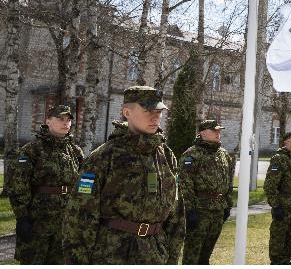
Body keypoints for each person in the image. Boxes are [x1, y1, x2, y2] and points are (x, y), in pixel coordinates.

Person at [62, 86, 185, 264]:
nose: (155, 116)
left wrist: (172, 258)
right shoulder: (104, 156)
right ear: (127, 112)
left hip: (156, 254)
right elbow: (80, 216)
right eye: (148, 110)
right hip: (112, 255)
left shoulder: (166, 156)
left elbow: (177, 214)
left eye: (159, 111)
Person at [6, 105, 84, 264]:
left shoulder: (75, 151)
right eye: (60, 119)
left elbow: (85, 183)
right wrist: (22, 217)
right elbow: (17, 183)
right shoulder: (32, 150)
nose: (66, 123)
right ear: (48, 121)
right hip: (39, 220)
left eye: (68, 120)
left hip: (67, 220)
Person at [179, 119, 236, 265]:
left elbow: (229, 181)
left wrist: (227, 205)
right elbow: (185, 184)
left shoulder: (224, 154)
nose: (218, 133)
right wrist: (190, 211)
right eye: (214, 131)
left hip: (218, 209)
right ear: (203, 133)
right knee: (193, 254)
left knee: (206, 254)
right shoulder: (192, 154)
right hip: (200, 210)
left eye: (219, 130)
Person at [264, 131, 291, 265]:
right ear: (286, 142)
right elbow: (270, 185)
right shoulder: (279, 159)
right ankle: (276, 262)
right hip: (283, 205)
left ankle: (286, 261)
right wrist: (276, 206)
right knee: (279, 235)